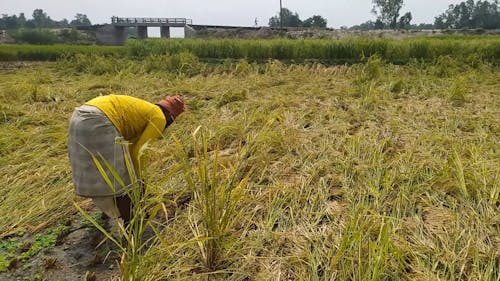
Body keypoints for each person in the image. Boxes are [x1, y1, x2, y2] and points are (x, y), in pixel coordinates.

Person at [68, 94, 185, 224]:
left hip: (79, 117)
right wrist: (138, 181)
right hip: (99, 120)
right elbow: (139, 153)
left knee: (101, 172)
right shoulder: (160, 117)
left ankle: (106, 213)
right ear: (171, 116)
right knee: (124, 181)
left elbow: (130, 150)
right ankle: (132, 224)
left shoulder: (145, 111)